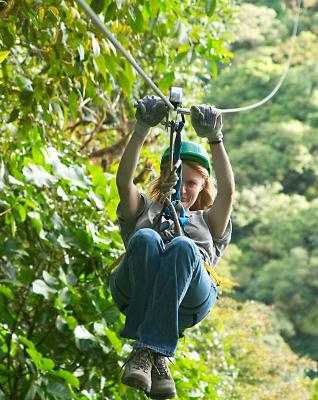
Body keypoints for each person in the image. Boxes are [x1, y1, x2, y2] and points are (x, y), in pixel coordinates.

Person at [109, 95, 235, 399]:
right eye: (176, 178)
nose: (182, 188)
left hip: (189, 298)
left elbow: (228, 193)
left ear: (202, 186)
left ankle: (146, 351)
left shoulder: (208, 222)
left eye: (192, 183)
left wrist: (215, 138)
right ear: (164, 176)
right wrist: (141, 128)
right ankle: (156, 356)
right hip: (135, 287)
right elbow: (124, 182)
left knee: (182, 247)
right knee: (146, 238)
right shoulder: (145, 210)